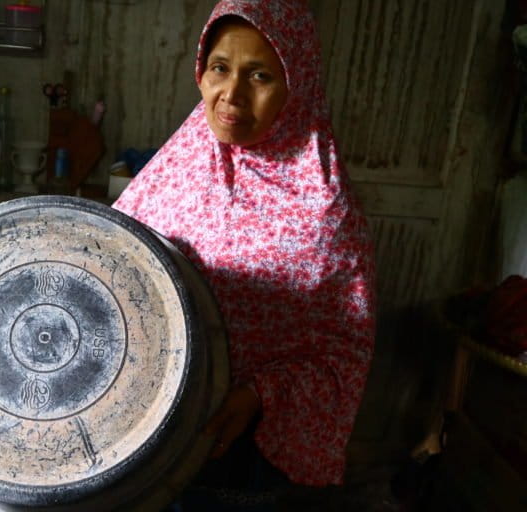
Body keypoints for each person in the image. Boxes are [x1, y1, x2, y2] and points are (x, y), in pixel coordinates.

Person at [112, 0, 376, 508]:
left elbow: (344, 352)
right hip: (151, 430)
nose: (231, 95)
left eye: (259, 76)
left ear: (295, 87)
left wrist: (258, 395)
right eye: (220, 69)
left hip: (248, 452)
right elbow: (115, 265)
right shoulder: (177, 169)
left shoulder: (326, 213)